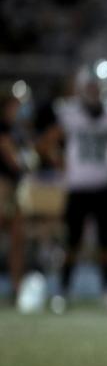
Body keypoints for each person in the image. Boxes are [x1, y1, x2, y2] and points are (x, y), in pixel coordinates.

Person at [39, 64, 107, 314]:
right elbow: (45, 143)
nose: (94, 91)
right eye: (90, 87)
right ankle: (64, 291)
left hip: (104, 186)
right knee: (72, 241)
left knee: (106, 242)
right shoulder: (70, 112)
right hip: (78, 186)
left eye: (97, 87)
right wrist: (61, 162)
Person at [0, 87, 26, 301]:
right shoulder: (3, 127)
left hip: (14, 186)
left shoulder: (16, 127)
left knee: (17, 239)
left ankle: (16, 287)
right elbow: (12, 158)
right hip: (3, 186)